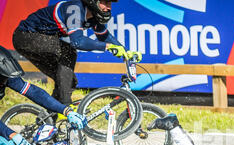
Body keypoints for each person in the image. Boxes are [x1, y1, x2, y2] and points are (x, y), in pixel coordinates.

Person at [0, 45, 87, 145]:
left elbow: (34, 92)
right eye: (3, 79)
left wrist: (66, 111)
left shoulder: (5, 74)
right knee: (7, 144)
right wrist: (13, 134)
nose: (5, 82)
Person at [12, 0, 142, 106]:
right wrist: (108, 47)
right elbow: (78, 42)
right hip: (25, 37)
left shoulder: (94, 16)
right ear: (93, 2)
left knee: (67, 82)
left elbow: (103, 36)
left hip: (36, 41)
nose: (109, 8)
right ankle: (66, 107)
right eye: (105, 3)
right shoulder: (74, 8)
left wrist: (126, 52)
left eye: (110, 4)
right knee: (68, 51)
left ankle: (48, 121)